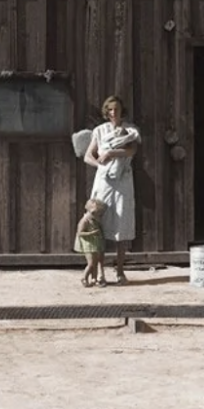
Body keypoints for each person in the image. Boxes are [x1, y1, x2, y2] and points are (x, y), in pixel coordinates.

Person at [84, 95, 140, 284]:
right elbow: (87, 156)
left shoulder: (129, 130)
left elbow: (131, 151)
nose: (113, 113)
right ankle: (100, 272)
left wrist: (111, 153)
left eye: (116, 109)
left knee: (121, 225)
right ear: (105, 111)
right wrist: (100, 165)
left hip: (122, 181)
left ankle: (120, 270)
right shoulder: (100, 131)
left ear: (121, 110)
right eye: (110, 109)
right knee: (98, 224)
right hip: (104, 182)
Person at [74, 199, 107, 287]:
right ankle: (84, 277)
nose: (96, 216)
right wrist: (91, 233)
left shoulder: (95, 221)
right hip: (88, 245)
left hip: (94, 245)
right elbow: (80, 233)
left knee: (95, 262)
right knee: (91, 263)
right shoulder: (85, 220)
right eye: (94, 213)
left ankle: (94, 279)